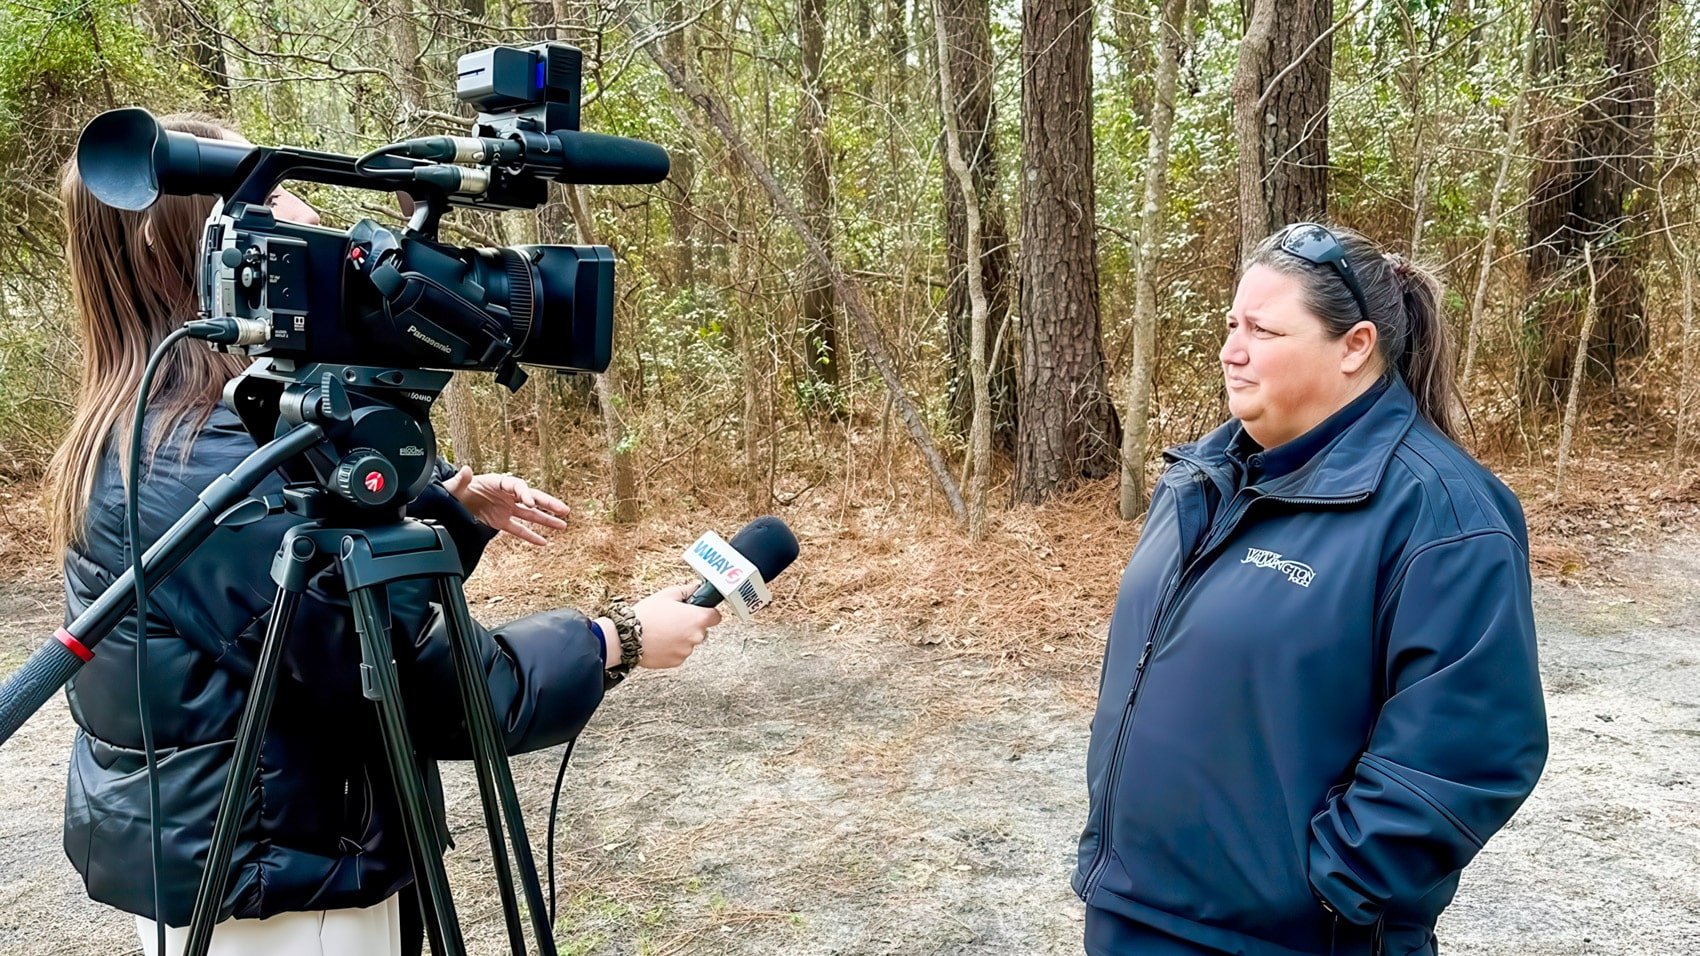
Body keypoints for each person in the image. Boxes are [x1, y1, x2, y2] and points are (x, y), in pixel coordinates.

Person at [47, 112, 721, 956]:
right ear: (202, 249)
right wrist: (613, 638)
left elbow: (313, 624)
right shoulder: (205, 465)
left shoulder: (160, 433)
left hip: (251, 859)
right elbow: (417, 689)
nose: (305, 215)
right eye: (281, 193)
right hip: (286, 890)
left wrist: (442, 515)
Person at [1074, 223, 1548, 956]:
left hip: (1285, 940)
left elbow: (1471, 749)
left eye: (1262, 330)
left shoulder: (1441, 513)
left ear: (1355, 346)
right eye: (1231, 325)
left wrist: (1327, 888)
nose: (1231, 351)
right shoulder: (1198, 479)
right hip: (1131, 914)